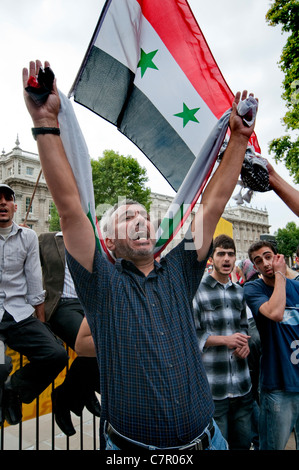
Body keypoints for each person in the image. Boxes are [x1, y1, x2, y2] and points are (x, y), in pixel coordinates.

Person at [23, 59, 258, 450]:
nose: (140, 220)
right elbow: (69, 207)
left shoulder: (180, 269)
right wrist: (46, 122)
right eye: (126, 216)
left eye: (143, 216)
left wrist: (237, 139)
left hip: (209, 441)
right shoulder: (101, 283)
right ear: (108, 242)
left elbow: (212, 204)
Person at [0, 184, 68, 426]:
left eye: (7, 198)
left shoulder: (28, 236)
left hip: (18, 314)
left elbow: (34, 283)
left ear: (15, 206)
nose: (2, 203)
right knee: (2, 364)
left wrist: (42, 325)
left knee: (55, 354)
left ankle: (13, 392)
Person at [193, 235, 253, 449]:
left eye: (231, 254)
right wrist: (224, 340)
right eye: (221, 254)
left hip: (242, 385)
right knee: (218, 445)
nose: (226, 259)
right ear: (212, 258)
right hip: (214, 387)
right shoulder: (198, 291)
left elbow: (244, 326)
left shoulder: (239, 292)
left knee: (244, 443)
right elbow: (192, 334)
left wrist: (244, 343)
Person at [39, 231, 101, 436]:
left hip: (89, 306)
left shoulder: (95, 242)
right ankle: (67, 398)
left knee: (110, 343)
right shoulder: (46, 239)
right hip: (61, 305)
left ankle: (78, 391)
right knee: (92, 345)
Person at [244, 240, 299, 450]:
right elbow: (276, 313)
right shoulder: (253, 288)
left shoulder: (297, 287)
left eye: (268, 257)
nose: (265, 263)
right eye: (258, 261)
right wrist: (280, 275)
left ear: (278, 257)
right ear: (255, 267)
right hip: (277, 386)